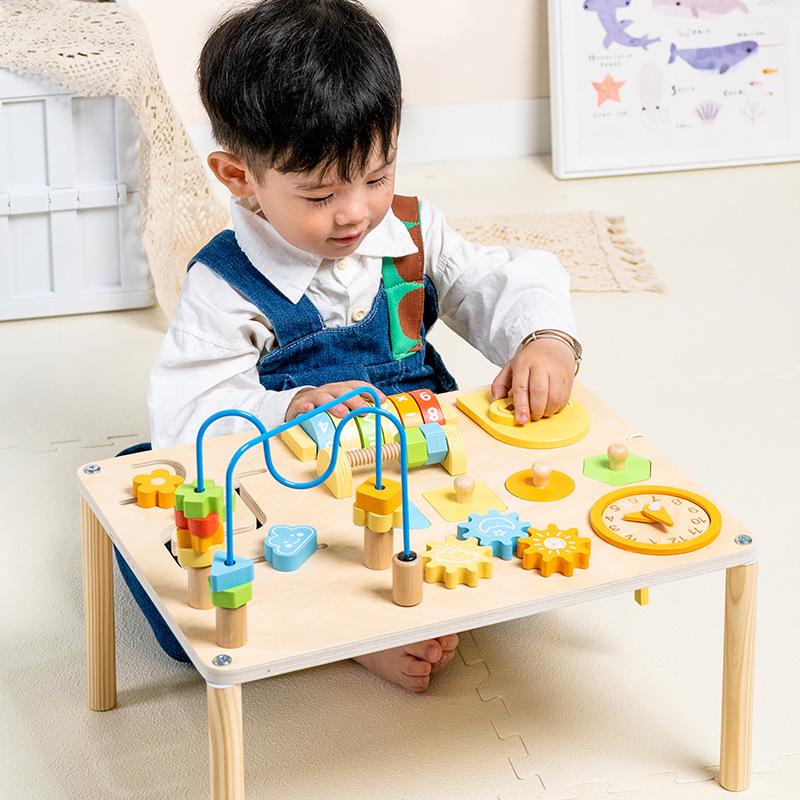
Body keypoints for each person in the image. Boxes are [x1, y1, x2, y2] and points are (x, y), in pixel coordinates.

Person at [127, 0, 581, 692]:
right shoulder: (226, 285)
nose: (356, 213)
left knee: (528, 501)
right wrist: (290, 408)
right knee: (174, 561)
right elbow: (191, 406)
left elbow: (497, 279)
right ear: (239, 177)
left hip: (418, 455)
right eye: (319, 196)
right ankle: (355, 632)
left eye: (377, 176)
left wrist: (544, 339)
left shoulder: (411, 231)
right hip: (300, 475)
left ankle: (385, 604)